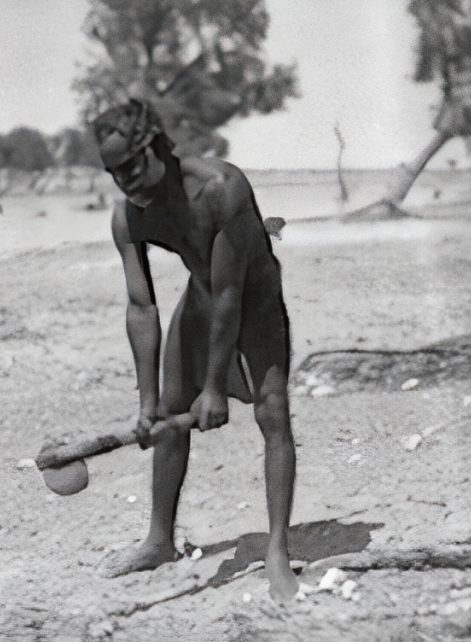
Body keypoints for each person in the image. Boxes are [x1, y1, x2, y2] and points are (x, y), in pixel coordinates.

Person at [92, 98, 299, 602]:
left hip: (253, 303)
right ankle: (159, 540)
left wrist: (213, 389)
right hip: (204, 298)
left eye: (134, 166)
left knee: (272, 414)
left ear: (158, 145)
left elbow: (232, 294)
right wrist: (145, 404)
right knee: (166, 413)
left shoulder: (222, 190)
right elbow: (142, 308)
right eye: (115, 174)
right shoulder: (128, 219)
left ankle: (276, 550)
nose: (128, 182)